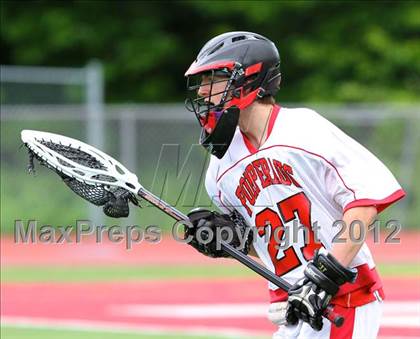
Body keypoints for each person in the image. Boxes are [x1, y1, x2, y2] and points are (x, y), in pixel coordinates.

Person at [183, 31, 405, 339]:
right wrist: (229, 241)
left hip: (345, 302)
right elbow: (272, 245)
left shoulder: (303, 130)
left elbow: (364, 204)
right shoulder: (220, 169)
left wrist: (325, 276)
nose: (204, 92)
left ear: (247, 80)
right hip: (295, 308)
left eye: (213, 79)